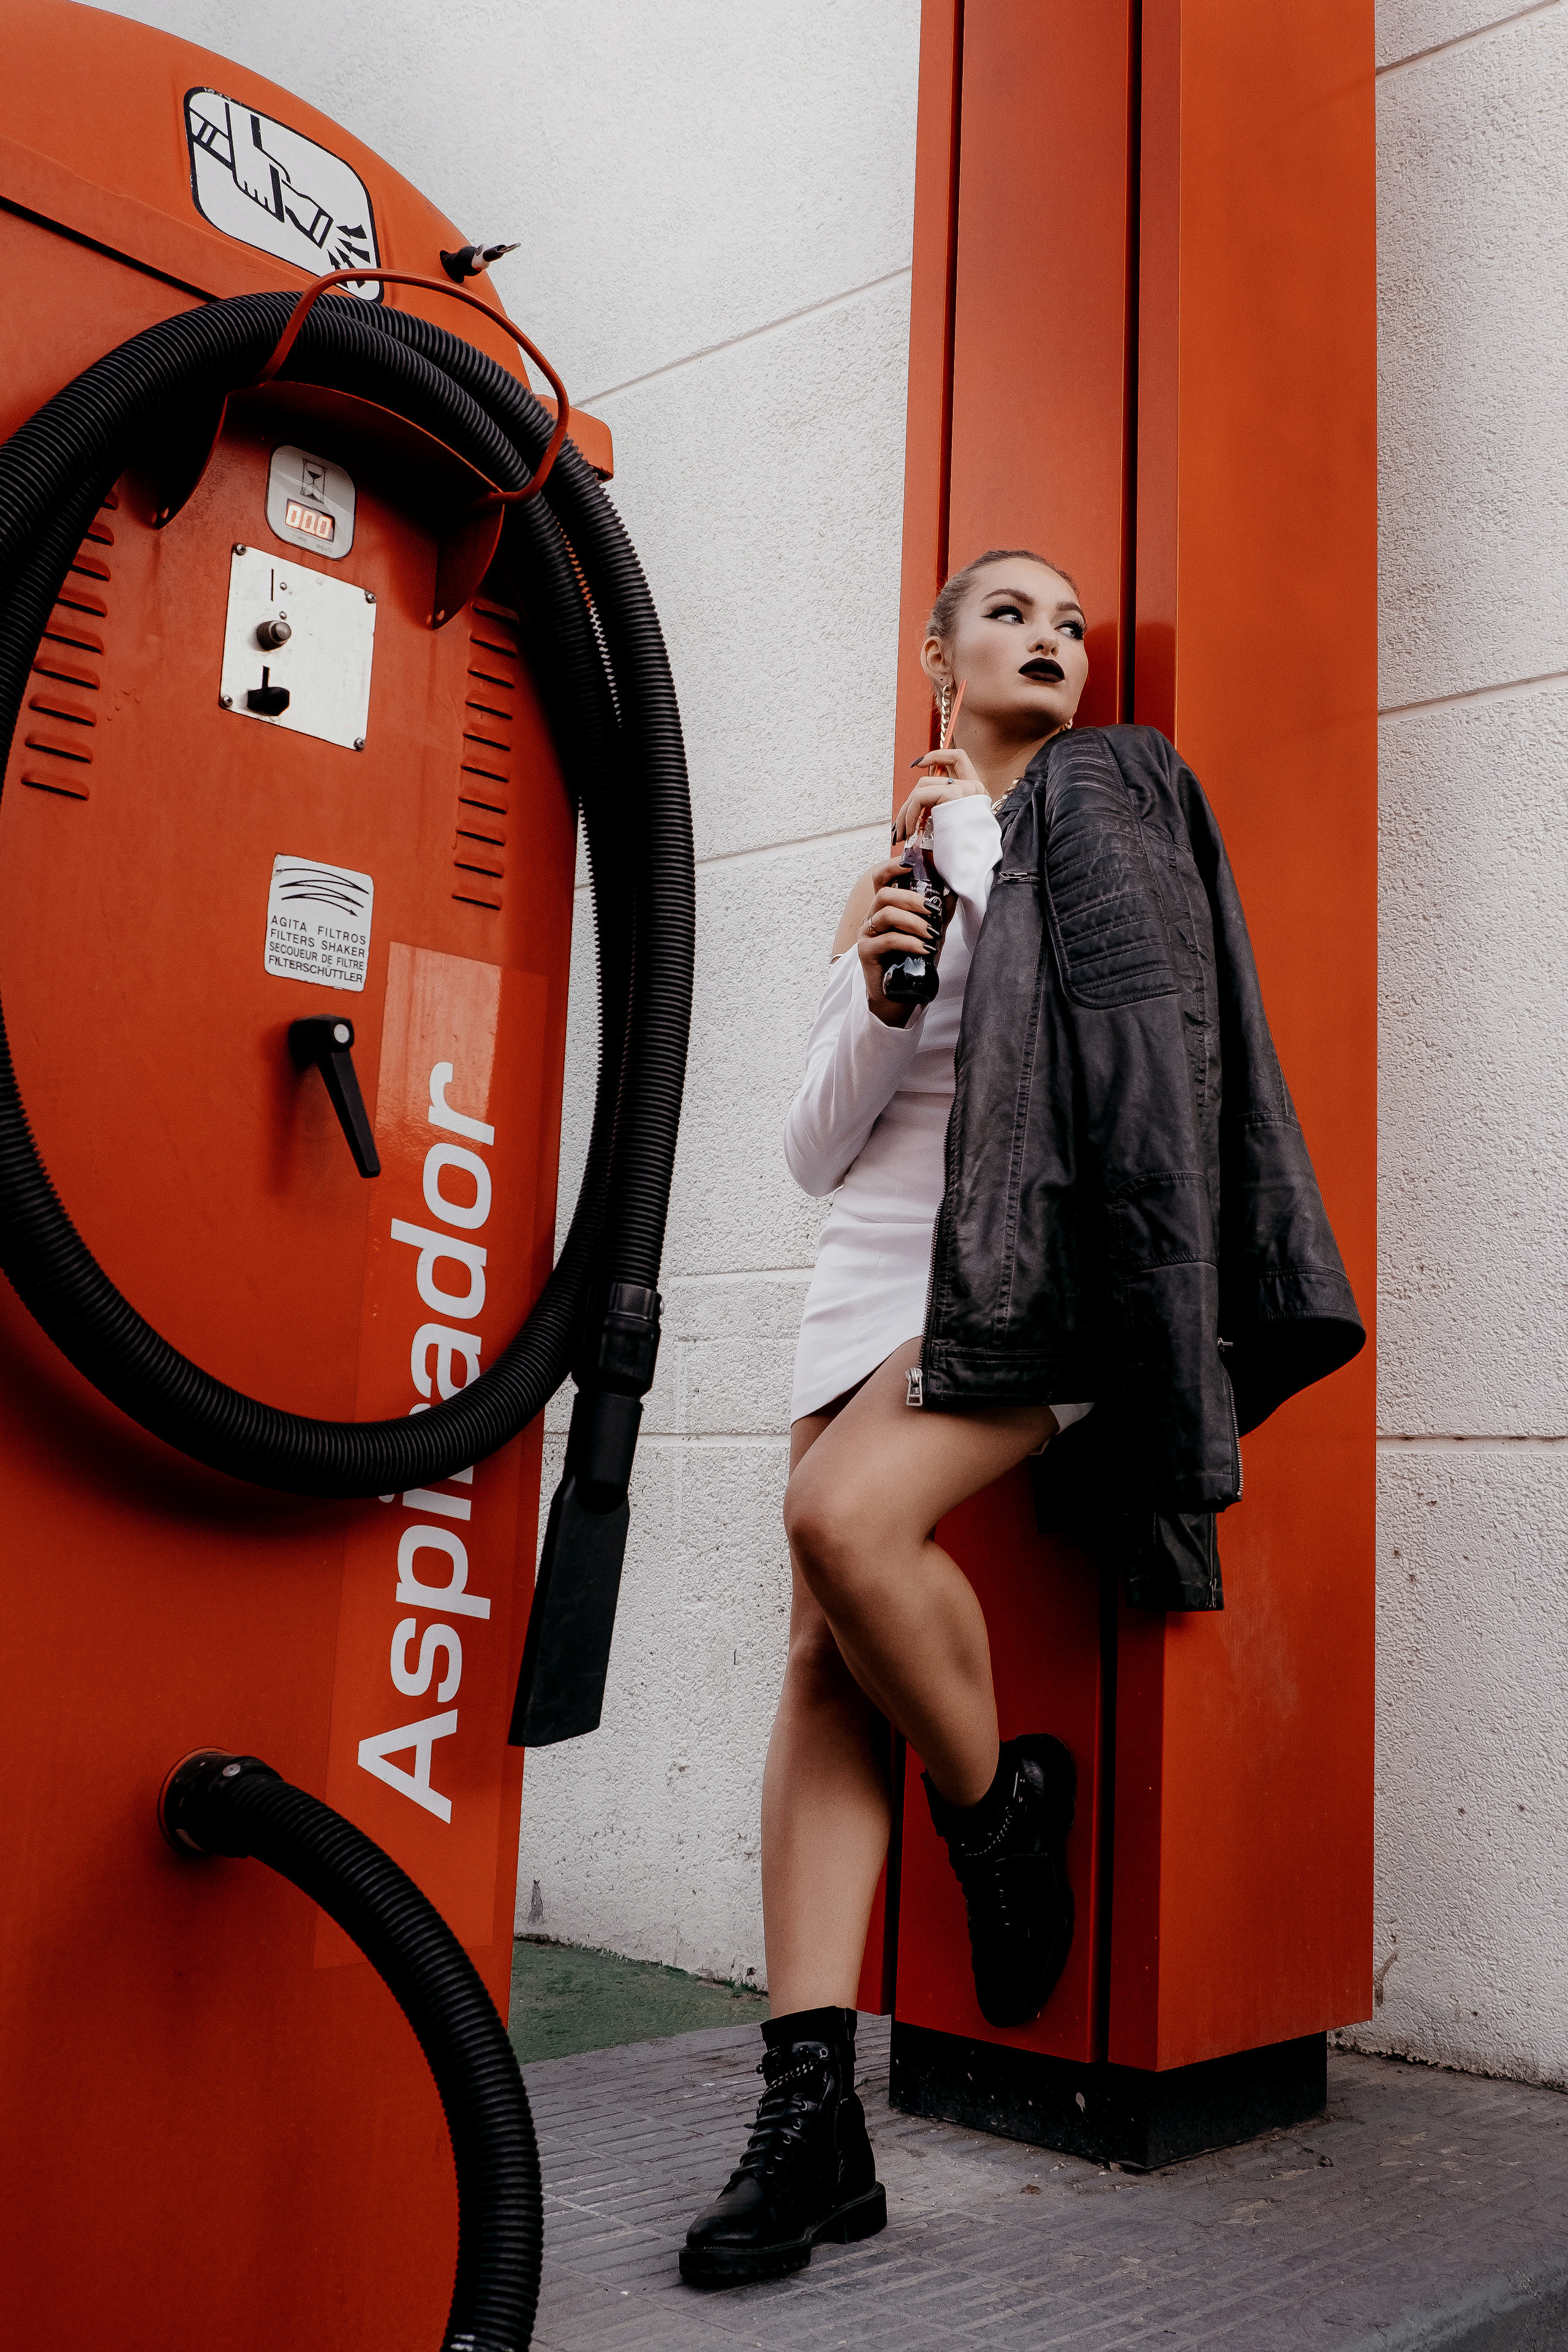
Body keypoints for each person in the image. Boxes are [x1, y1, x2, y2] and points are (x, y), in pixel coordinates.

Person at [679, 548, 1362, 2288]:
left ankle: (994, 1814)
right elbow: (815, 1149)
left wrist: (976, 846)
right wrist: (879, 979)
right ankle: (810, 2114)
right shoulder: (900, 868)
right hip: (872, 1274)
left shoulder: (1105, 805)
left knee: (840, 1521)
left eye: (1069, 625)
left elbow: (1123, 1015)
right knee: (822, 1661)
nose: (1051, 639)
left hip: (1035, 1269)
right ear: (938, 655)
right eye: (1010, 615)